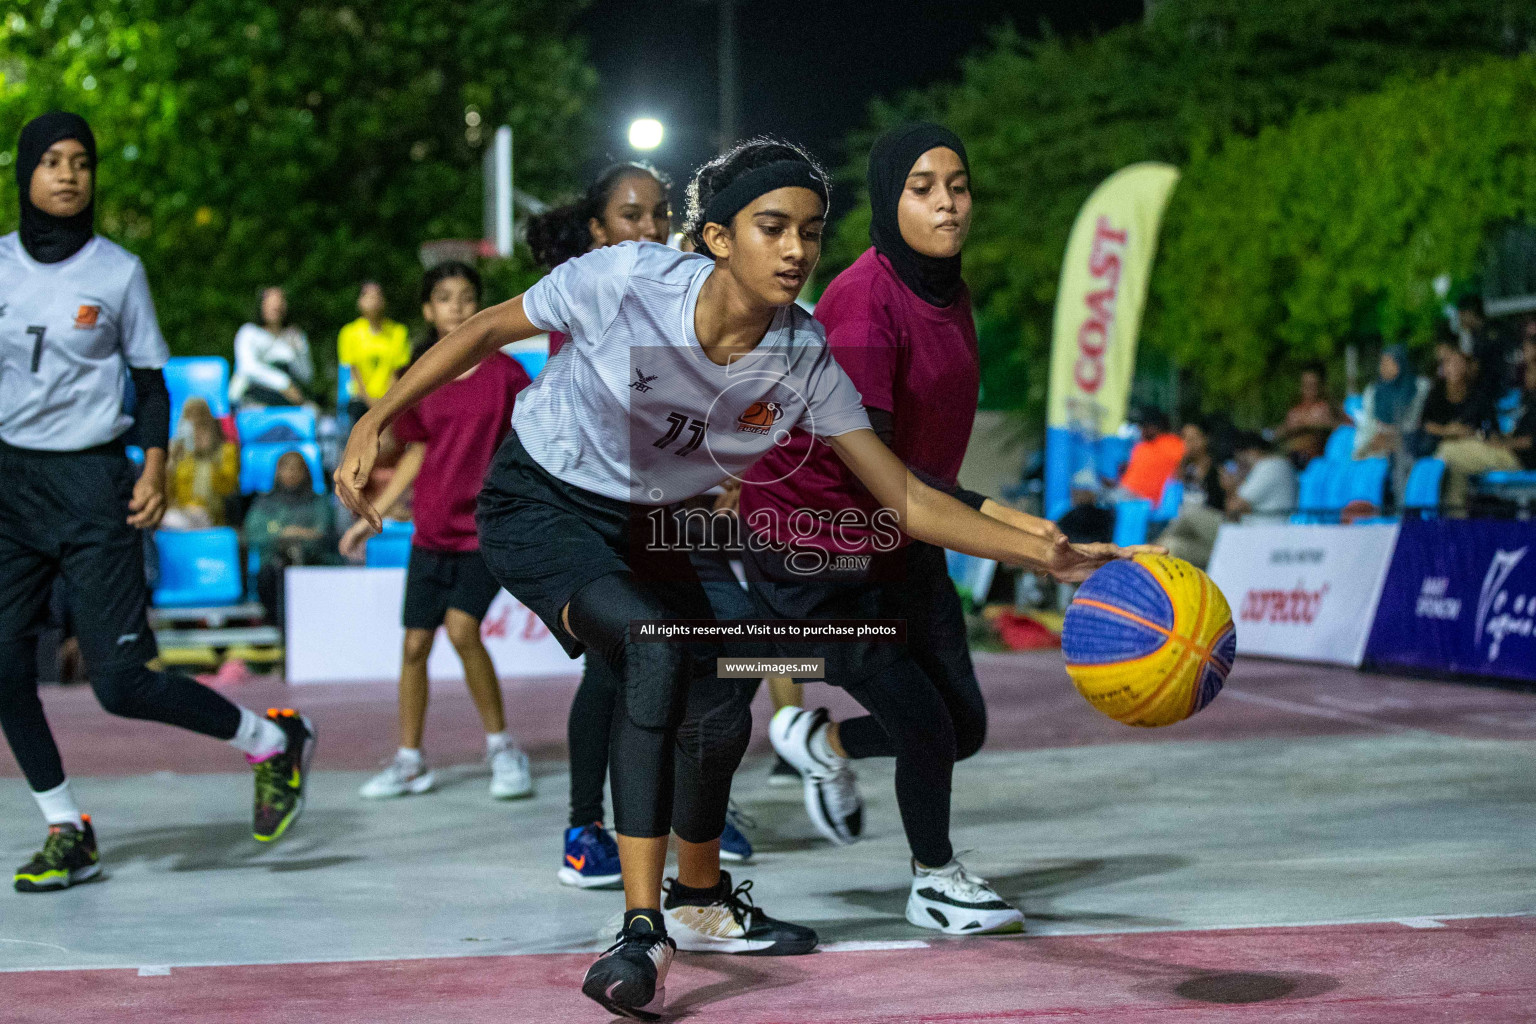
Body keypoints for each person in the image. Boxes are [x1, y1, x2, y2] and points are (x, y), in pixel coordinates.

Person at [335, 136, 1140, 1020]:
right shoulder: (629, 280)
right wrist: (380, 416)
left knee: (725, 686)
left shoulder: (802, 354)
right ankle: (641, 931)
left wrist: (1043, 554)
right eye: (772, 228)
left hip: (656, 522)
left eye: (810, 232)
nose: (796, 250)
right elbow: (489, 327)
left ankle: (700, 896)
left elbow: (904, 496)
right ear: (718, 239)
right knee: (652, 648)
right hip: (545, 502)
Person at [738, 123, 1067, 937]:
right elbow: (878, 476)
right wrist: (1028, 543)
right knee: (923, 721)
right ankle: (933, 879)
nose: (947, 203)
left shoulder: (949, 293)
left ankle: (818, 738)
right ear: (890, 198)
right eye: (923, 188)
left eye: (958, 185)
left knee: (964, 725)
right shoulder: (861, 303)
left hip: (900, 533)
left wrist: (1033, 529)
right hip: (821, 546)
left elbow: (926, 479)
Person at [0, 113, 314, 894]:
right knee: (2, 663)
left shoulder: (118, 271)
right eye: (52, 162)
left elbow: (149, 383)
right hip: (12, 487)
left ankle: (271, 741)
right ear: (25, 176)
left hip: (95, 484)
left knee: (120, 683)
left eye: (81, 163)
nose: (69, 175)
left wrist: (154, 468)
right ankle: (66, 828)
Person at [528, 162, 753, 885]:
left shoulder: (677, 289)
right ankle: (584, 829)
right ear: (598, 231)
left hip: (665, 509)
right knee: (617, 667)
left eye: (658, 214)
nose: (650, 228)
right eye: (632, 216)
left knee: (726, 644)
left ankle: (690, 813)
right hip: (597, 509)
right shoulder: (591, 300)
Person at [338, 262, 535, 802]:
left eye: (467, 296)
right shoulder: (418, 377)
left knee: (462, 629)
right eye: (444, 297)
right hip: (430, 533)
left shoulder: (507, 376)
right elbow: (417, 453)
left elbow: (531, 445)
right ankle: (409, 762)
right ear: (427, 310)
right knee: (414, 647)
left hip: (485, 531)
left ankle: (502, 747)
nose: (456, 306)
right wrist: (370, 515)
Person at [247, 451, 335, 625]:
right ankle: (278, 625)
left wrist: (293, 534)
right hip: (274, 568)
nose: (291, 473)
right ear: (277, 471)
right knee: (270, 575)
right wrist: (286, 534)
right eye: (286, 467)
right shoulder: (265, 503)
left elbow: (323, 534)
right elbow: (254, 534)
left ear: (306, 472)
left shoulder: (318, 502)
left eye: (296, 468)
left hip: (312, 564)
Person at [1422, 345, 1504, 514]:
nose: (1455, 368)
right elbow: (1426, 424)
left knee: (1451, 459)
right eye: (1450, 364)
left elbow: (1491, 429)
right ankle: (1451, 518)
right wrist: (1448, 431)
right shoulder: (1436, 393)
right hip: (1443, 448)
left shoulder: (1478, 395)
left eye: (1459, 364)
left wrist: (1471, 434)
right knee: (1450, 467)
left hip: (1470, 447)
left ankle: (1452, 518)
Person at [1353, 345, 1428, 502]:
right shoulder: (1374, 391)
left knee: (1401, 461)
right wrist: (1366, 446)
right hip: (1378, 445)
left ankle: (1402, 509)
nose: (1384, 367)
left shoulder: (1419, 387)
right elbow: (1367, 426)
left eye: (1390, 362)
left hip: (1408, 444)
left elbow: (1413, 424)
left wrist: (1393, 437)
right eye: (1383, 363)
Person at [1154, 419, 1227, 568]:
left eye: (1193, 439)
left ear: (1205, 440)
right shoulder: (1183, 469)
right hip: (1189, 535)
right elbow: (1170, 503)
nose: (1187, 443)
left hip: (1213, 530)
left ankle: (1149, 548)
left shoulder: (1218, 469)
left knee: (1189, 514)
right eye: (1185, 439)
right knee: (1169, 546)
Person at [338, 281, 411, 423]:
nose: (373, 299)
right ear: (359, 301)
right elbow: (354, 372)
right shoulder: (349, 333)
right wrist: (371, 403)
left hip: (390, 399)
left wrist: (386, 402)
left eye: (377, 295)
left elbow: (397, 372)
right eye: (368, 295)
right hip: (360, 401)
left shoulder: (399, 332)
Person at [230, 286, 313, 409]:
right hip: (251, 400)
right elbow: (247, 367)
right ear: (261, 306)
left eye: (280, 302)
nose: (276, 307)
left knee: (313, 412)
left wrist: (301, 351)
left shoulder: (294, 336)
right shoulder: (248, 332)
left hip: (287, 402)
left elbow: (306, 376)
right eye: (270, 302)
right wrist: (283, 383)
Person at [162, 397, 240, 530]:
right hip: (178, 513)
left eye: (201, 422)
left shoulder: (226, 450)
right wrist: (171, 460)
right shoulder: (177, 451)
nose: (196, 426)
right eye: (190, 420)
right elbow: (166, 491)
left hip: (211, 516)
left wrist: (208, 457)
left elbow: (228, 489)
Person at [1113, 407, 1184, 503]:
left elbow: (1178, 471)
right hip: (1128, 494)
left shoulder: (1172, 444)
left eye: (1143, 426)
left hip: (1137, 498)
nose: (1140, 430)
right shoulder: (1144, 445)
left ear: (1153, 428)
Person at [1225, 432, 1297, 523]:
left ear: (1252, 451)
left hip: (1267, 529)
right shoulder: (1279, 463)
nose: (1240, 463)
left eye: (1240, 458)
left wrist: (1230, 487)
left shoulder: (1268, 466)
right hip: (1273, 526)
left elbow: (1234, 506)